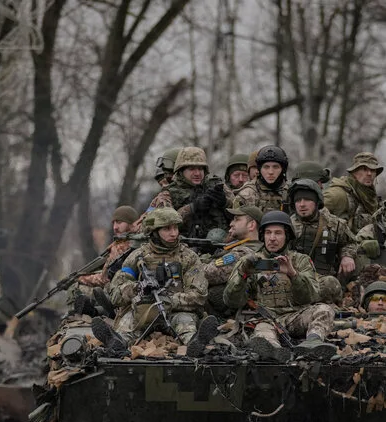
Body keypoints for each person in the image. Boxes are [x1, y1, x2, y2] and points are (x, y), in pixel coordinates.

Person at [97, 207, 218, 358]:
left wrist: (168, 300)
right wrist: (138, 289)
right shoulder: (137, 257)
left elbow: (199, 295)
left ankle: (196, 343)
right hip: (143, 312)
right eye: (167, 229)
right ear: (154, 231)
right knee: (126, 327)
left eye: (175, 228)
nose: (174, 233)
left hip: (177, 312)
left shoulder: (189, 258)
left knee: (186, 325)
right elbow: (116, 294)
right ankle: (115, 342)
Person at [224, 210, 338, 359]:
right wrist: (242, 275)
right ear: (262, 236)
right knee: (263, 336)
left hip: (295, 316)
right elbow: (231, 301)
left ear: (287, 236)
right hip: (265, 318)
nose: (272, 238)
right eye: (268, 233)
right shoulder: (249, 262)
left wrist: (293, 274)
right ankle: (275, 352)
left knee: (324, 310)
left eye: (278, 233)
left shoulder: (300, 260)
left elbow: (310, 297)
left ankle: (313, 344)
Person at [287, 178, 357, 297]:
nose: (302, 204)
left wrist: (347, 256)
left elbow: (350, 242)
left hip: (324, 281)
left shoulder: (334, 224)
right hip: (294, 279)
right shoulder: (287, 226)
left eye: (307, 199)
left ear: (317, 202)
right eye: (298, 200)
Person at [201, 204, 264, 316]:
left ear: (251, 225)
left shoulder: (244, 253)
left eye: (237, 219)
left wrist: (191, 265)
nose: (231, 224)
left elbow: (208, 273)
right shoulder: (246, 247)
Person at [159, 146, 228, 240]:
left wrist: (225, 203)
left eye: (200, 169)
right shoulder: (168, 192)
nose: (197, 173)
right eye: (192, 169)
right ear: (181, 171)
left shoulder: (216, 186)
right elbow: (163, 222)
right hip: (183, 247)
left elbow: (242, 216)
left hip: (221, 244)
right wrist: (193, 207)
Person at [324, 151, 383, 232]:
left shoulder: (372, 198)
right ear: (354, 172)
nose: (369, 173)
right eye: (364, 169)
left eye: (373, 170)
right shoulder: (337, 194)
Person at [232, 145, 290, 213]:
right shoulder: (246, 195)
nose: (270, 172)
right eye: (266, 167)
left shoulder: (291, 193)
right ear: (259, 169)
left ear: (283, 169)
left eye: (276, 167)